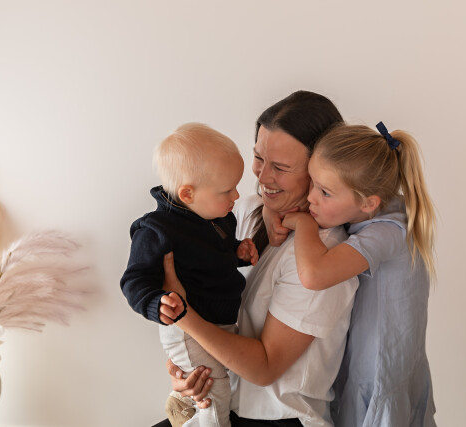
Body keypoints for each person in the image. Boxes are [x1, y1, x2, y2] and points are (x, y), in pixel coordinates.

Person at [156, 90, 357, 427]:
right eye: (259, 158)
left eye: (280, 167)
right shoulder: (245, 211)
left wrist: (182, 317)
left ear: (320, 171)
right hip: (225, 403)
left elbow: (264, 368)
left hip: (278, 418)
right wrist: (189, 371)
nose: (262, 178)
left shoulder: (325, 261)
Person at [273, 122, 437, 426]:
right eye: (312, 183)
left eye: (325, 192)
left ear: (368, 202)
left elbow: (314, 275)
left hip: (379, 373)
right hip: (365, 365)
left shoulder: (388, 232)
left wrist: (305, 224)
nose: (311, 198)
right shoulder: (374, 208)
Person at [120, 123, 259, 427]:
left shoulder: (217, 217)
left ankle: (182, 404)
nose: (237, 195)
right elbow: (134, 280)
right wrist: (156, 303)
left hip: (218, 324)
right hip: (186, 328)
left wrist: (237, 252)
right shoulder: (156, 230)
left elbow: (211, 257)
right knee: (214, 389)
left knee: (217, 377)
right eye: (227, 190)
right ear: (187, 194)